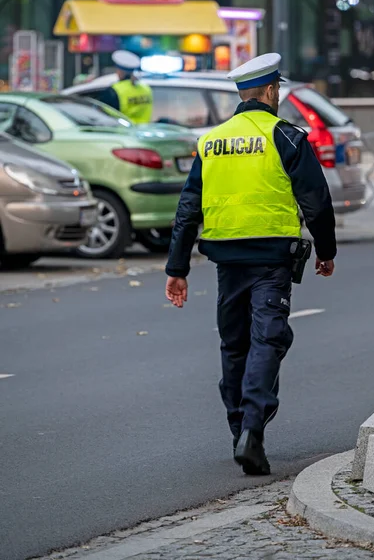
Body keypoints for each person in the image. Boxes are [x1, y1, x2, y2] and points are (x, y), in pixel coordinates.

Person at [165, 53, 336, 476]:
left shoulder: (211, 141)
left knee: (234, 344)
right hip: (271, 261)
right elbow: (316, 200)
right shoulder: (286, 136)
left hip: (227, 261)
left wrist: (177, 268)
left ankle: (238, 430)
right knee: (268, 339)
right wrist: (327, 251)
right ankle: (253, 432)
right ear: (272, 90)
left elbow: (188, 208)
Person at [100, 50, 153, 124]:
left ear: (120, 71)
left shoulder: (114, 90)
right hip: (143, 131)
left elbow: (103, 116)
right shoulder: (146, 88)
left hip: (123, 133)